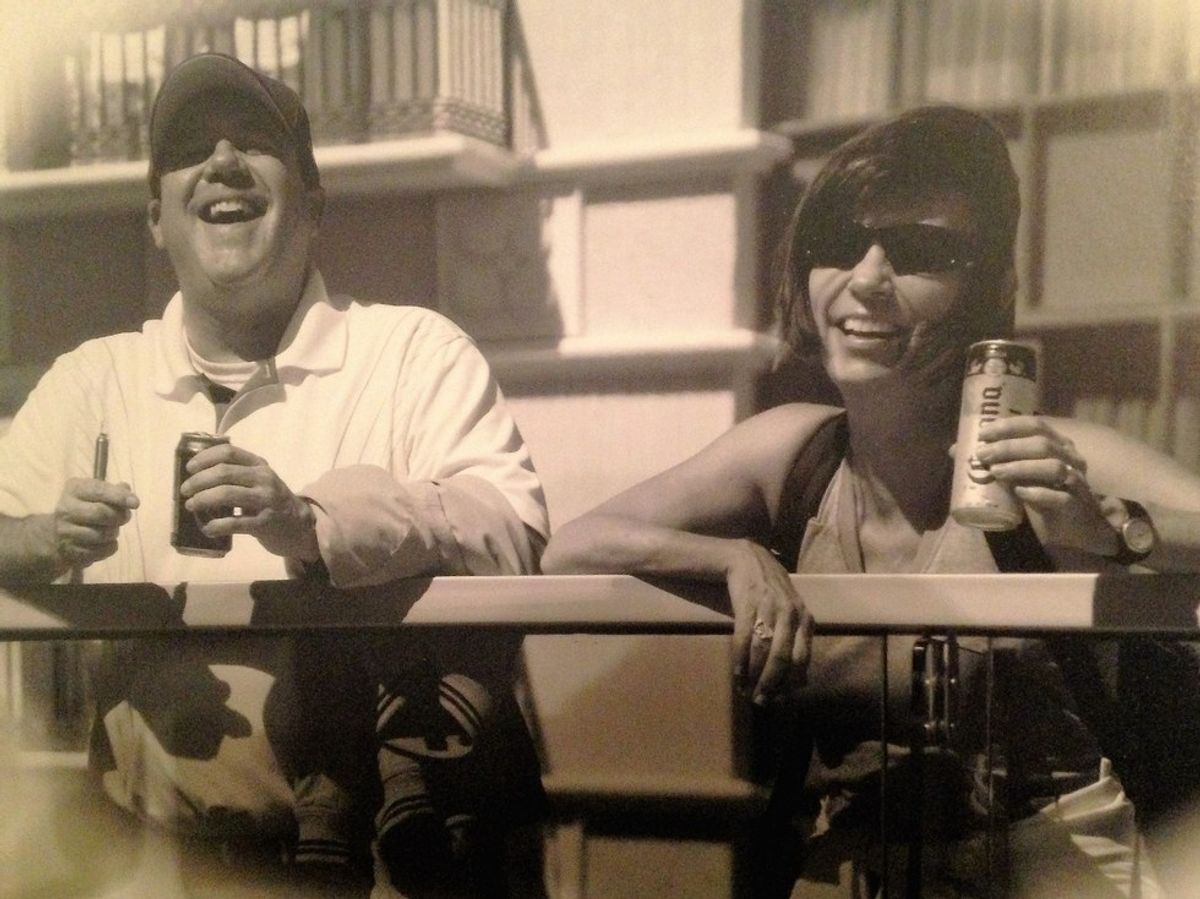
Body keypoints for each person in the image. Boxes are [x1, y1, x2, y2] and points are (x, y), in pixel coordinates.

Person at [541, 105, 1200, 897]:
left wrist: (1114, 527)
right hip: (856, 862)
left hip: (1054, 867)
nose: (865, 279)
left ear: (992, 287)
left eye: (920, 252)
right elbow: (571, 547)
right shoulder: (792, 451)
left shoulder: (1043, 456)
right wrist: (732, 558)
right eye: (837, 243)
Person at [0, 53, 548, 898]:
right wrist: (37, 539)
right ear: (155, 217)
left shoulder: (413, 352)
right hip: (149, 866)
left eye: (254, 140)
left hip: (383, 872)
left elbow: (512, 527)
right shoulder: (91, 382)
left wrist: (314, 523)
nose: (222, 161)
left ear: (314, 203)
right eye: (190, 147)